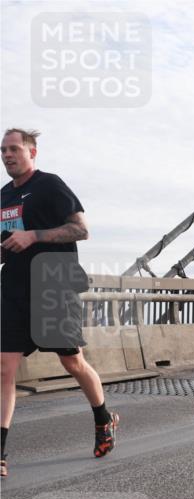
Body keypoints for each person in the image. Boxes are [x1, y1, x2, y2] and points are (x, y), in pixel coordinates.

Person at [1, 128, 119, 478]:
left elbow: (81, 229)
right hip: (14, 287)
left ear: (32, 152)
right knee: (4, 367)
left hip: (53, 281)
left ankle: (103, 419)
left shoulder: (50, 185)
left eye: (14, 149)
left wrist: (34, 236)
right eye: (2, 150)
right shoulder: (4, 195)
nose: (7, 155)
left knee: (72, 362)